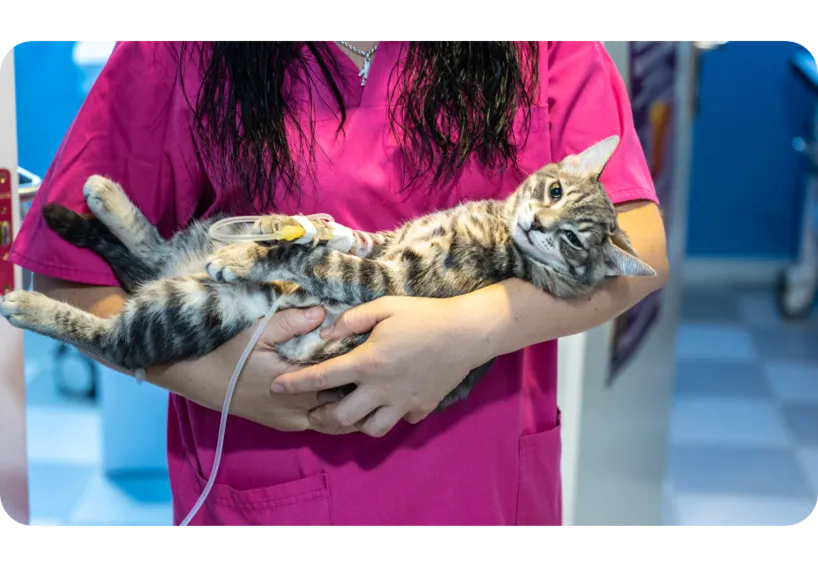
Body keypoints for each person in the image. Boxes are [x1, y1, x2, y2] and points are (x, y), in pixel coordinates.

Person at [9, 40, 669, 527]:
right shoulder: (183, 51)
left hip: (482, 484)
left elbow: (641, 249)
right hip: (272, 486)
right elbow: (64, 273)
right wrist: (216, 376)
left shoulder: (541, 48)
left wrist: (474, 329)